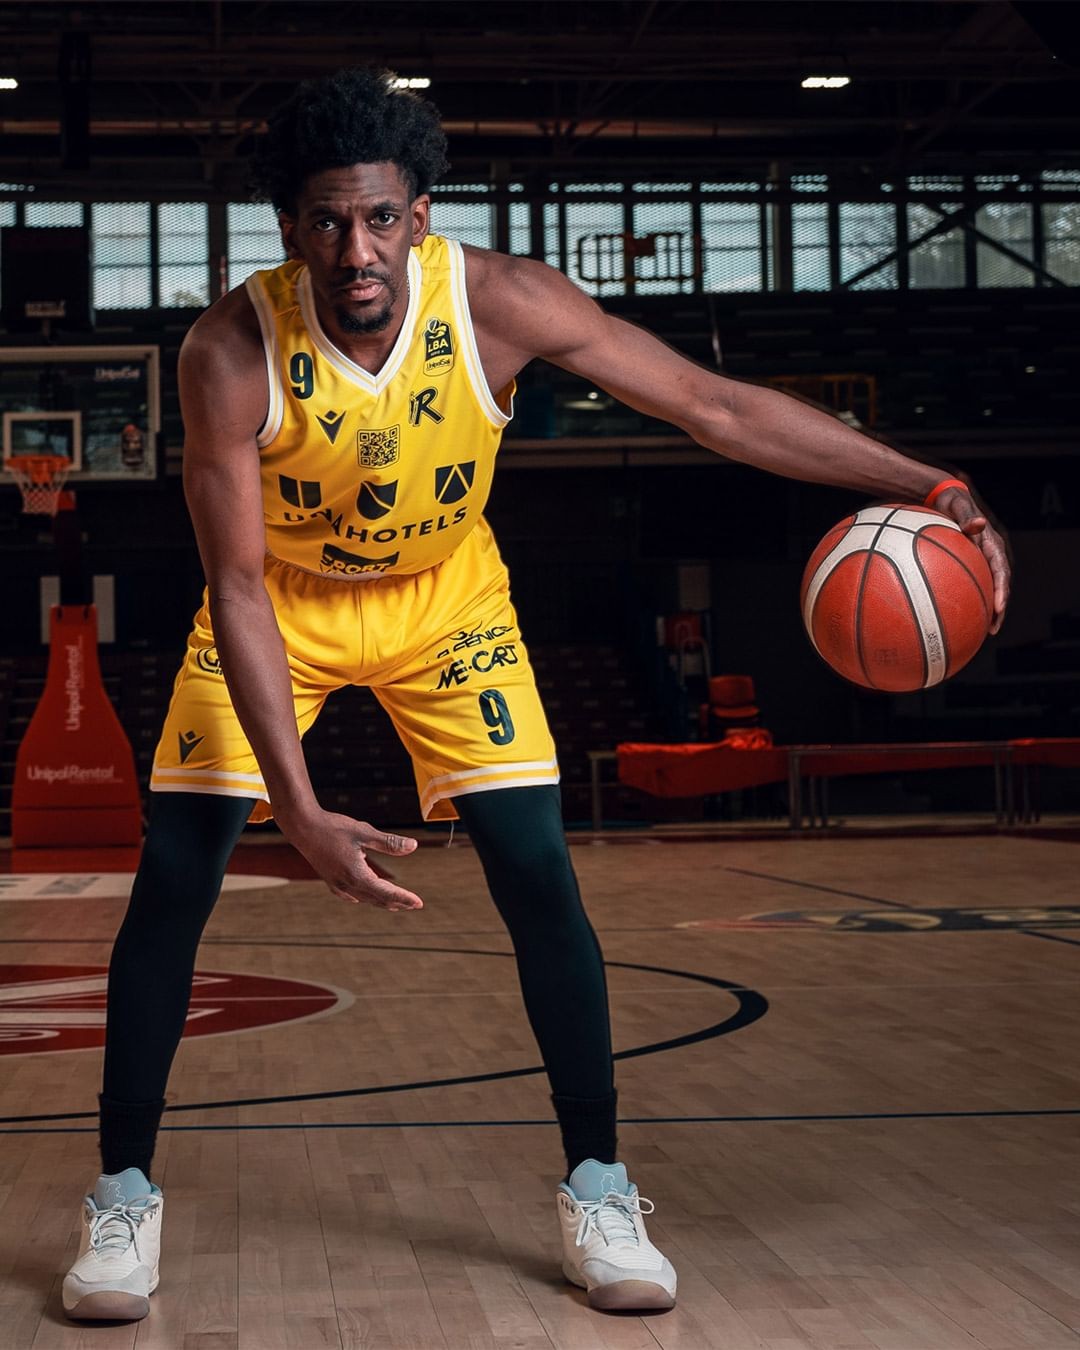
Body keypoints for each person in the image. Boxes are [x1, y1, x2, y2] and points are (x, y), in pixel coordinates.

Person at [61, 68, 1010, 1322]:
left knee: (536, 868)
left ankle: (599, 1186)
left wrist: (928, 482)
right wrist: (296, 808)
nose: (357, 249)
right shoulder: (229, 351)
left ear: (421, 215)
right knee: (178, 872)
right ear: (289, 230)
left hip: (447, 598)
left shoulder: (501, 302)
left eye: (381, 218)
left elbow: (713, 405)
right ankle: (123, 1195)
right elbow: (234, 585)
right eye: (328, 223)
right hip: (281, 602)